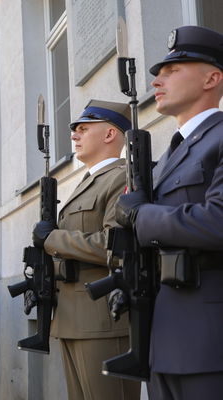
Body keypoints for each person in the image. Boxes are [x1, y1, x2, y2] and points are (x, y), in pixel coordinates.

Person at [115, 25, 223, 398]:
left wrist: (140, 216)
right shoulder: (166, 159)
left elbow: (218, 222)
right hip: (163, 337)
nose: (158, 79)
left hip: (210, 340)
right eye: (158, 73)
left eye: (173, 70)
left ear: (212, 77)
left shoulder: (219, 140)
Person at [31, 101, 140, 400]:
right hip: (70, 317)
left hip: (102, 319)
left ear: (109, 134)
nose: (75, 136)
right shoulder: (89, 182)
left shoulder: (121, 178)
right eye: (75, 130)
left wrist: (52, 239)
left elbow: (115, 245)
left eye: (83, 128)